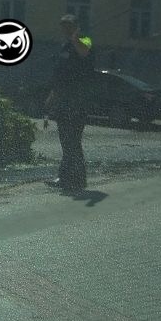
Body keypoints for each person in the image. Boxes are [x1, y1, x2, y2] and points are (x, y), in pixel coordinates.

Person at [44, 14, 94, 193]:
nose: (65, 29)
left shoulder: (85, 40)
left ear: (77, 26)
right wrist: (52, 96)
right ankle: (67, 178)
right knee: (66, 140)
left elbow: (84, 53)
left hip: (79, 101)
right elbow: (60, 75)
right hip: (64, 100)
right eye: (63, 26)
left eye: (69, 26)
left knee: (73, 140)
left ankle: (76, 179)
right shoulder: (64, 46)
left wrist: (75, 38)